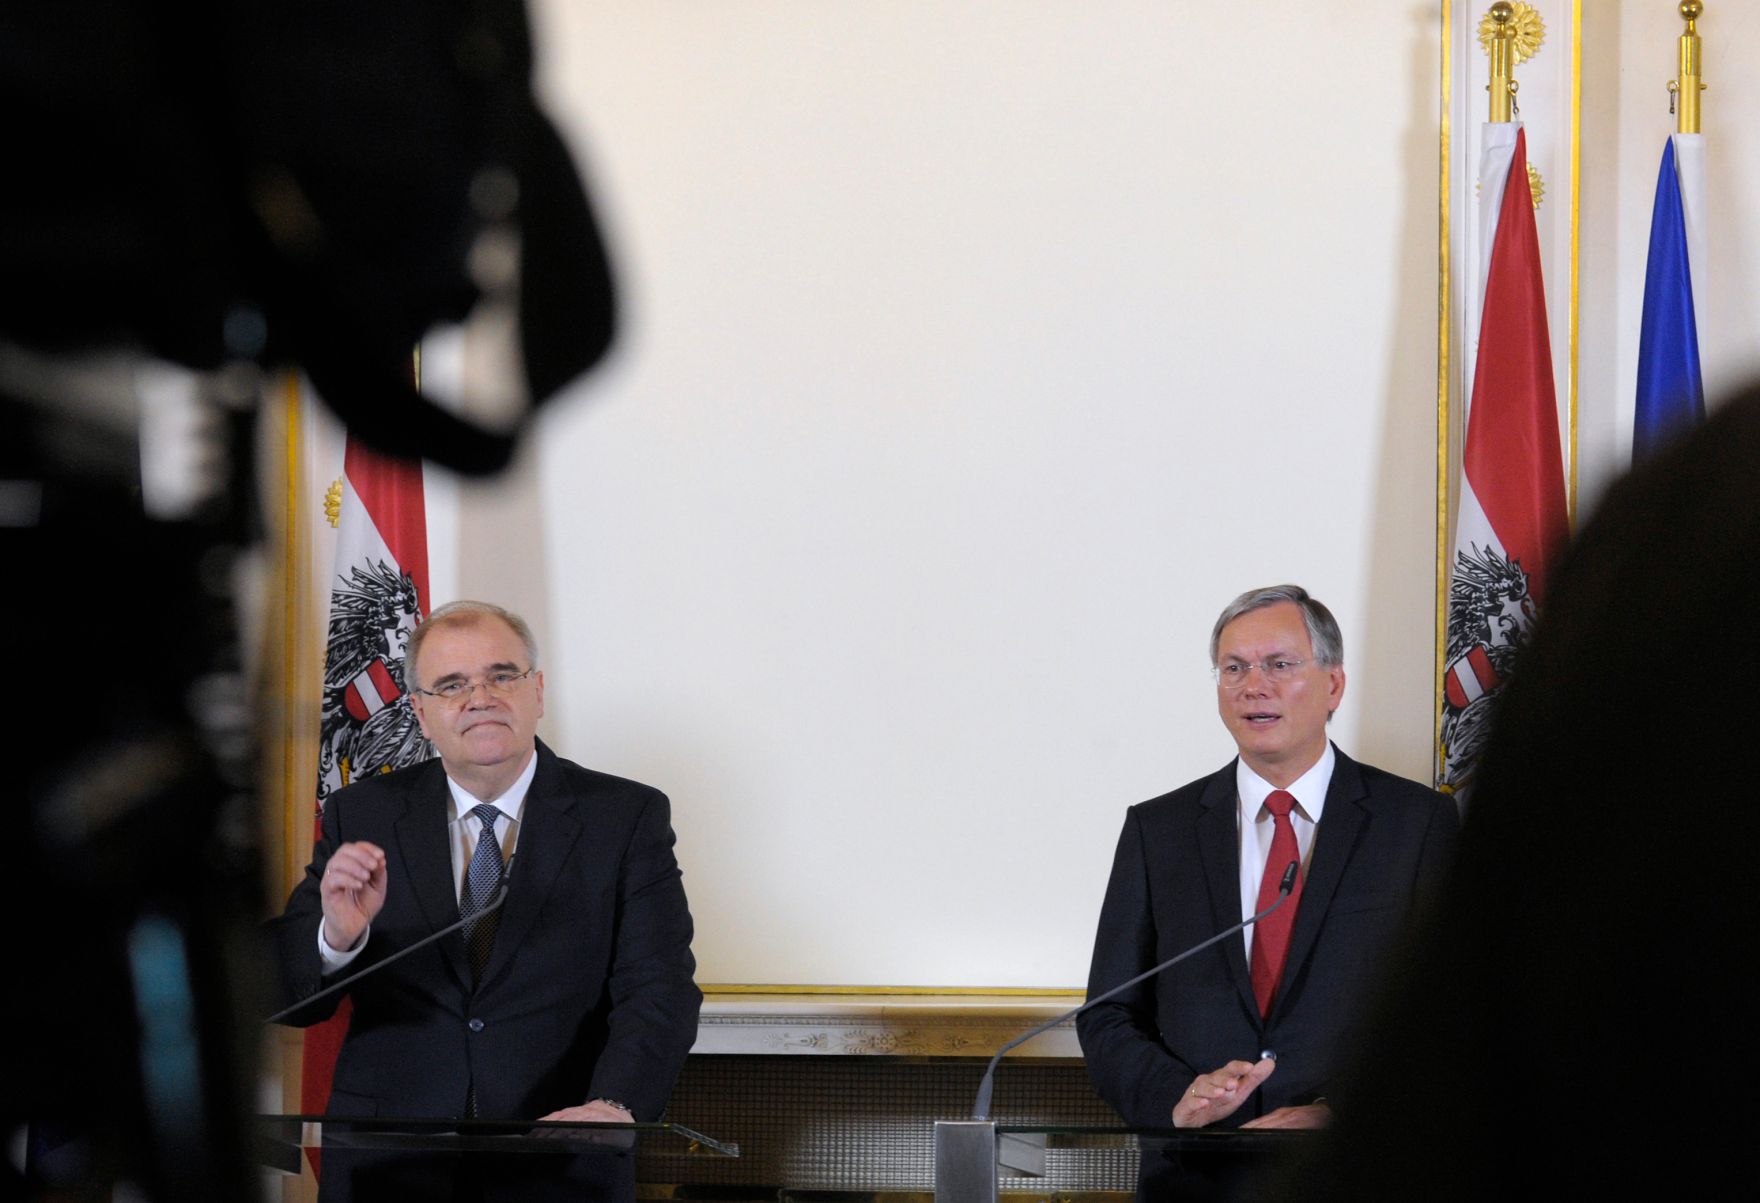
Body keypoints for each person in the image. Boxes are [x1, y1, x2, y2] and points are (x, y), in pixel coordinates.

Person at [273, 600, 701, 1202]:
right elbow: (287, 996)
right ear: (420, 713)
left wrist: (614, 1104)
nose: (480, 697)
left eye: (501, 675)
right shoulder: (363, 813)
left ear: (537, 691)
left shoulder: (626, 817)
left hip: (560, 1157)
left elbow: (659, 985)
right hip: (388, 1166)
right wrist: (336, 939)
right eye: (451, 685)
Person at [1076, 585, 1458, 1200]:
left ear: (1333, 685)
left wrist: (1351, 1113)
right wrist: (1177, 1096)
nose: (1254, 686)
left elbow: (1456, 1012)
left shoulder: (1415, 824)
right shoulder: (1160, 830)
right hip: (1197, 1178)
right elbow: (1109, 1012)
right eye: (1234, 669)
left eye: (1279, 665)